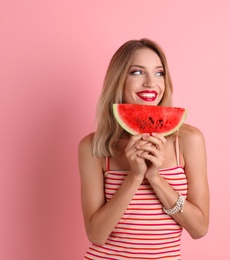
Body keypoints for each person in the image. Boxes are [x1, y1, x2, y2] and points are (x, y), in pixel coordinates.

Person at [78, 39, 210, 259]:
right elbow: (96, 235)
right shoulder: (94, 147)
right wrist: (135, 176)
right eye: (137, 73)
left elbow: (199, 228)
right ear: (118, 80)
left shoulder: (188, 141)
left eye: (159, 73)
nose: (151, 83)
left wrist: (155, 178)